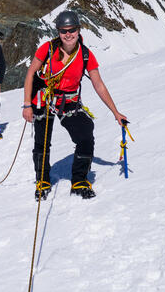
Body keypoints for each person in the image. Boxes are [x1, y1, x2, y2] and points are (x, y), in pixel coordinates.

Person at [22, 10, 127, 200]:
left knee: (85, 135)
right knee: (42, 141)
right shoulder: (47, 49)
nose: (68, 34)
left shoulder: (85, 55)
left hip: (67, 101)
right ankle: (42, 180)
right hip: (44, 99)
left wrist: (115, 112)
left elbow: (98, 84)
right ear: (58, 32)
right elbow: (30, 74)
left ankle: (79, 180)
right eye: (64, 31)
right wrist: (27, 105)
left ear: (78, 30)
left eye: (72, 30)